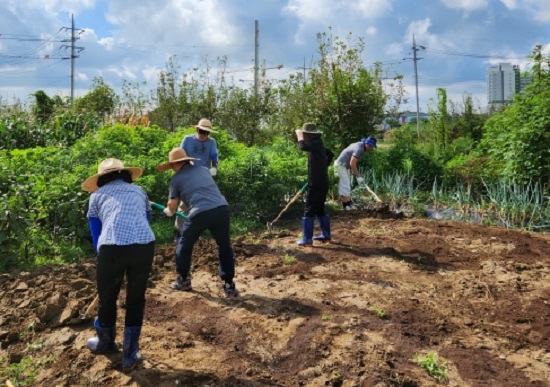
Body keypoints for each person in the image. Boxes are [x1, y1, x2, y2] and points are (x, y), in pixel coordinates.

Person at [81, 158, 156, 373]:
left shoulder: (96, 196)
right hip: (144, 245)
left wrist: (107, 264)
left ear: (101, 178)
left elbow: (97, 237)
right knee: (135, 299)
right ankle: (130, 354)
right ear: (125, 175)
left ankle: (105, 342)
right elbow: (145, 221)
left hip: (112, 246)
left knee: (107, 298)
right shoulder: (140, 192)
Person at [157, 147, 238, 298]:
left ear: (175, 164)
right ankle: (229, 286)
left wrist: (167, 212)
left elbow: (172, 206)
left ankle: (183, 280)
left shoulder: (176, 179)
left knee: (184, 244)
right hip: (222, 208)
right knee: (224, 246)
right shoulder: (203, 170)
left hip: (199, 212)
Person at [175, 118, 220, 238]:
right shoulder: (187, 140)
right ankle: (179, 232)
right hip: (188, 177)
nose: (203, 135)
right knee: (184, 206)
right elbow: (180, 158)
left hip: (204, 178)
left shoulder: (212, 142)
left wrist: (215, 167)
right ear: (197, 129)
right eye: (201, 131)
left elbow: (215, 156)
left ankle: (197, 232)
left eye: (206, 132)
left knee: (201, 206)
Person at [295, 123, 334, 246]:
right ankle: (326, 236)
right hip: (322, 181)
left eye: (305, 134)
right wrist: (321, 169)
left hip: (317, 183)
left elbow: (302, 146)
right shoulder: (318, 144)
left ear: (308, 135)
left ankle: (307, 239)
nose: (304, 136)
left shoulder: (315, 144)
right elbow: (331, 154)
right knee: (320, 209)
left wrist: (299, 135)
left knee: (309, 209)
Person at [334, 136, 377, 210]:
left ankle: (348, 203)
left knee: (346, 185)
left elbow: (351, 160)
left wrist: (351, 171)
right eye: (371, 146)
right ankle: (346, 206)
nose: (371, 148)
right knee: (345, 185)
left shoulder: (361, 145)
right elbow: (352, 163)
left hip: (343, 166)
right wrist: (359, 177)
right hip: (340, 166)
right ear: (367, 144)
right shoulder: (359, 149)